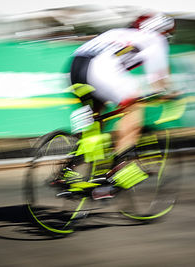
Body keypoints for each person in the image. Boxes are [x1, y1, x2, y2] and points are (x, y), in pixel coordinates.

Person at [68, 12, 175, 199]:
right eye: (167, 34)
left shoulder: (120, 32)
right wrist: (170, 95)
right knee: (134, 107)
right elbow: (158, 80)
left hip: (75, 65)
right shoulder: (155, 39)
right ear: (162, 30)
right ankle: (118, 169)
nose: (167, 38)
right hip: (101, 68)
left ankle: (69, 169)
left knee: (95, 121)